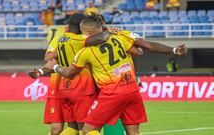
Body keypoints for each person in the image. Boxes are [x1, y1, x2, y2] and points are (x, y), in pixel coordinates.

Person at [53, 14, 187, 135]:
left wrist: (54, 66)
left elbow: (69, 73)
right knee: (134, 132)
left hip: (111, 93)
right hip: (132, 89)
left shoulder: (85, 51)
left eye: (82, 32)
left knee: (88, 130)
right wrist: (174, 50)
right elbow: (142, 49)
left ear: (87, 31)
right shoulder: (119, 36)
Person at [28, 13, 112, 135]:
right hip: (82, 87)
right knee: (87, 129)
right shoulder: (78, 39)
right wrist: (109, 31)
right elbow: (100, 38)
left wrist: (41, 71)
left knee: (73, 128)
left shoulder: (61, 39)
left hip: (65, 87)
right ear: (81, 26)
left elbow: (53, 63)